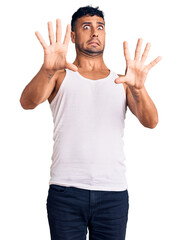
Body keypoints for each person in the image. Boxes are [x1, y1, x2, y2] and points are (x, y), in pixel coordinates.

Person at [20, 5, 161, 240]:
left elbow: (151, 121)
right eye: (86, 27)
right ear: (74, 36)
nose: (95, 33)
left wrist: (139, 88)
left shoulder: (122, 81)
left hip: (113, 194)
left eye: (100, 27)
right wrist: (46, 70)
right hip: (66, 191)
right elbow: (27, 102)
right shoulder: (59, 75)